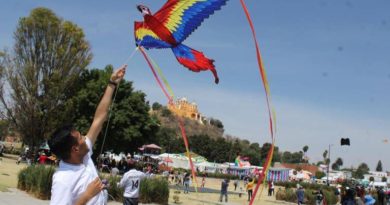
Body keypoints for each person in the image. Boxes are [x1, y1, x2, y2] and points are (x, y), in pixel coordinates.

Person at [48, 65, 126, 205]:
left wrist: (112, 83)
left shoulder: (83, 156)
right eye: (81, 138)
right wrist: (87, 195)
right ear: (75, 149)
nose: (85, 137)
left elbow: (99, 119)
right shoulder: (62, 179)